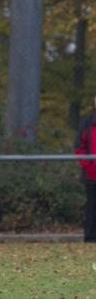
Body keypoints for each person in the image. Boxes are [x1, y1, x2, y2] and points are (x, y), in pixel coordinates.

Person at [74, 96, 96, 243]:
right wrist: (88, 165)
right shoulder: (87, 123)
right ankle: (90, 238)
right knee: (92, 207)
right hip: (91, 173)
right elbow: (79, 147)